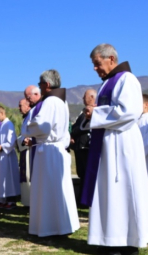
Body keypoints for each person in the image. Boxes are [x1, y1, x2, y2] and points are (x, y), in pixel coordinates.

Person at [82, 43, 148, 255]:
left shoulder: (127, 80)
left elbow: (129, 111)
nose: (95, 69)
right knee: (109, 192)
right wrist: (95, 114)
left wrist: (96, 112)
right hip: (107, 144)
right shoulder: (106, 84)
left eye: (97, 64)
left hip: (122, 144)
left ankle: (129, 242)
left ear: (111, 59)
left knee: (123, 190)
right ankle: (109, 239)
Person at [23, 69, 79, 237]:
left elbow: (42, 126)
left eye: (40, 85)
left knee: (47, 191)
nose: (40, 88)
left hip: (46, 151)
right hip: (57, 150)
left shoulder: (50, 102)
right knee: (58, 189)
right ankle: (62, 225)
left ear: (47, 84)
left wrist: (27, 127)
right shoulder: (63, 102)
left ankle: (48, 227)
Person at [70, 89, 96, 202]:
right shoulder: (83, 112)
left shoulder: (96, 111)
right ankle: (82, 198)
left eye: (84, 96)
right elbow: (76, 127)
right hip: (79, 148)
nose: (82, 98)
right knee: (81, 173)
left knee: (87, 174)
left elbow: (84, 127)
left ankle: (86, 199)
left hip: (87, 148)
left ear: (91, 97)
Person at [17, 87, 42, 206]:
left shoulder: (33, 113)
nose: (19, 108)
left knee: (29, 177)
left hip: (31, 149)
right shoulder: (27, 116)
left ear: (27, 106)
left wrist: (28, 139)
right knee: (25, 177)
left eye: (20, 105)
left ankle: (30, 203)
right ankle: (26, 202)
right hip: (26, 149)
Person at [0, 106, 20, 208]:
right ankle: (4, 199)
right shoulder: (1, 126)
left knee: (9, 178)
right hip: (2, 155)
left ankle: (11, 201)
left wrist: (2, 146)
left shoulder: (9, 124)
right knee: (2, 178)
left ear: (2, 113)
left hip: (8, 155)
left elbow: (11, 141)